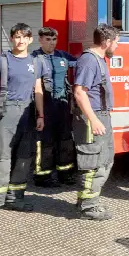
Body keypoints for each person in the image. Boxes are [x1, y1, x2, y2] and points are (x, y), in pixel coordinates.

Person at [0, 23, 46, 219]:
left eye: (24, 37)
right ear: (12, 38)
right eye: (17, 37)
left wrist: (41, 115)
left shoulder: (36, 63)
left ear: (30, 40)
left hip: (27, 114)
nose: (21, 40)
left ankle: (15, 198)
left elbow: (38, 90)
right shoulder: (1, 61)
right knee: (2, 157)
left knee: (24, 157)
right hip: (6, 113)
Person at [72, 24, 119, 221]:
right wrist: (93, 120)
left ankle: (87, 199)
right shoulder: (89, 61)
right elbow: (79, 92)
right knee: (93, 162)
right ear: (107, 42)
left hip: (101, 116)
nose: (117, 46)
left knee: (105, 159)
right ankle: (88, 206)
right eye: (116, 42)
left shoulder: (99, 60)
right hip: (93, 117)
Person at [32, 27, 78, 188]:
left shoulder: (62, 56)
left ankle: (65, 173)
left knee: (65, 138)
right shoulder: (34, 58)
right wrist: (40, 113)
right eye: (47, 40)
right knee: (45, 141)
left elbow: (80, 63)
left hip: (62, 104)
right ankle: (42, 176)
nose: (51, 43)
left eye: (54, 40)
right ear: (40, 40)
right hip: (45, 105)